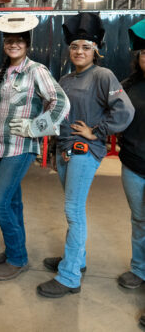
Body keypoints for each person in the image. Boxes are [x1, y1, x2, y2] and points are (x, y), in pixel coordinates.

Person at [37, 12, 135, 298]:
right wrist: (55, 151)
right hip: (66, 152)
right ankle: (75, 260)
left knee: (73, 211)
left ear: (96, 51)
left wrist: (98, 131)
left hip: (85, 151)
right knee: (72, 210)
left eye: (86, 47)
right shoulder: (65, 80)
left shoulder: (103, 75)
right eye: (75, 46)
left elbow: (124, 110)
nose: (80, 51)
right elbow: (59, 117)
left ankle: (68, 277)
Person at [0, 12, 70, 281]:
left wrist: (36, 127)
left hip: (20, 148)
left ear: (28, 43)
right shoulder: (2, 72)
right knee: (13, 204)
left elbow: (61, 103)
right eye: (9, 39)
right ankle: (14, 250)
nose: (14, 44)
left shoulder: (36, 70)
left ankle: (18, 259)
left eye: (20, 39)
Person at [117, 20, 145, 327]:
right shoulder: (127, 86)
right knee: (139, 220)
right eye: (144, 53)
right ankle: (139, 269)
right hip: (134, 164)